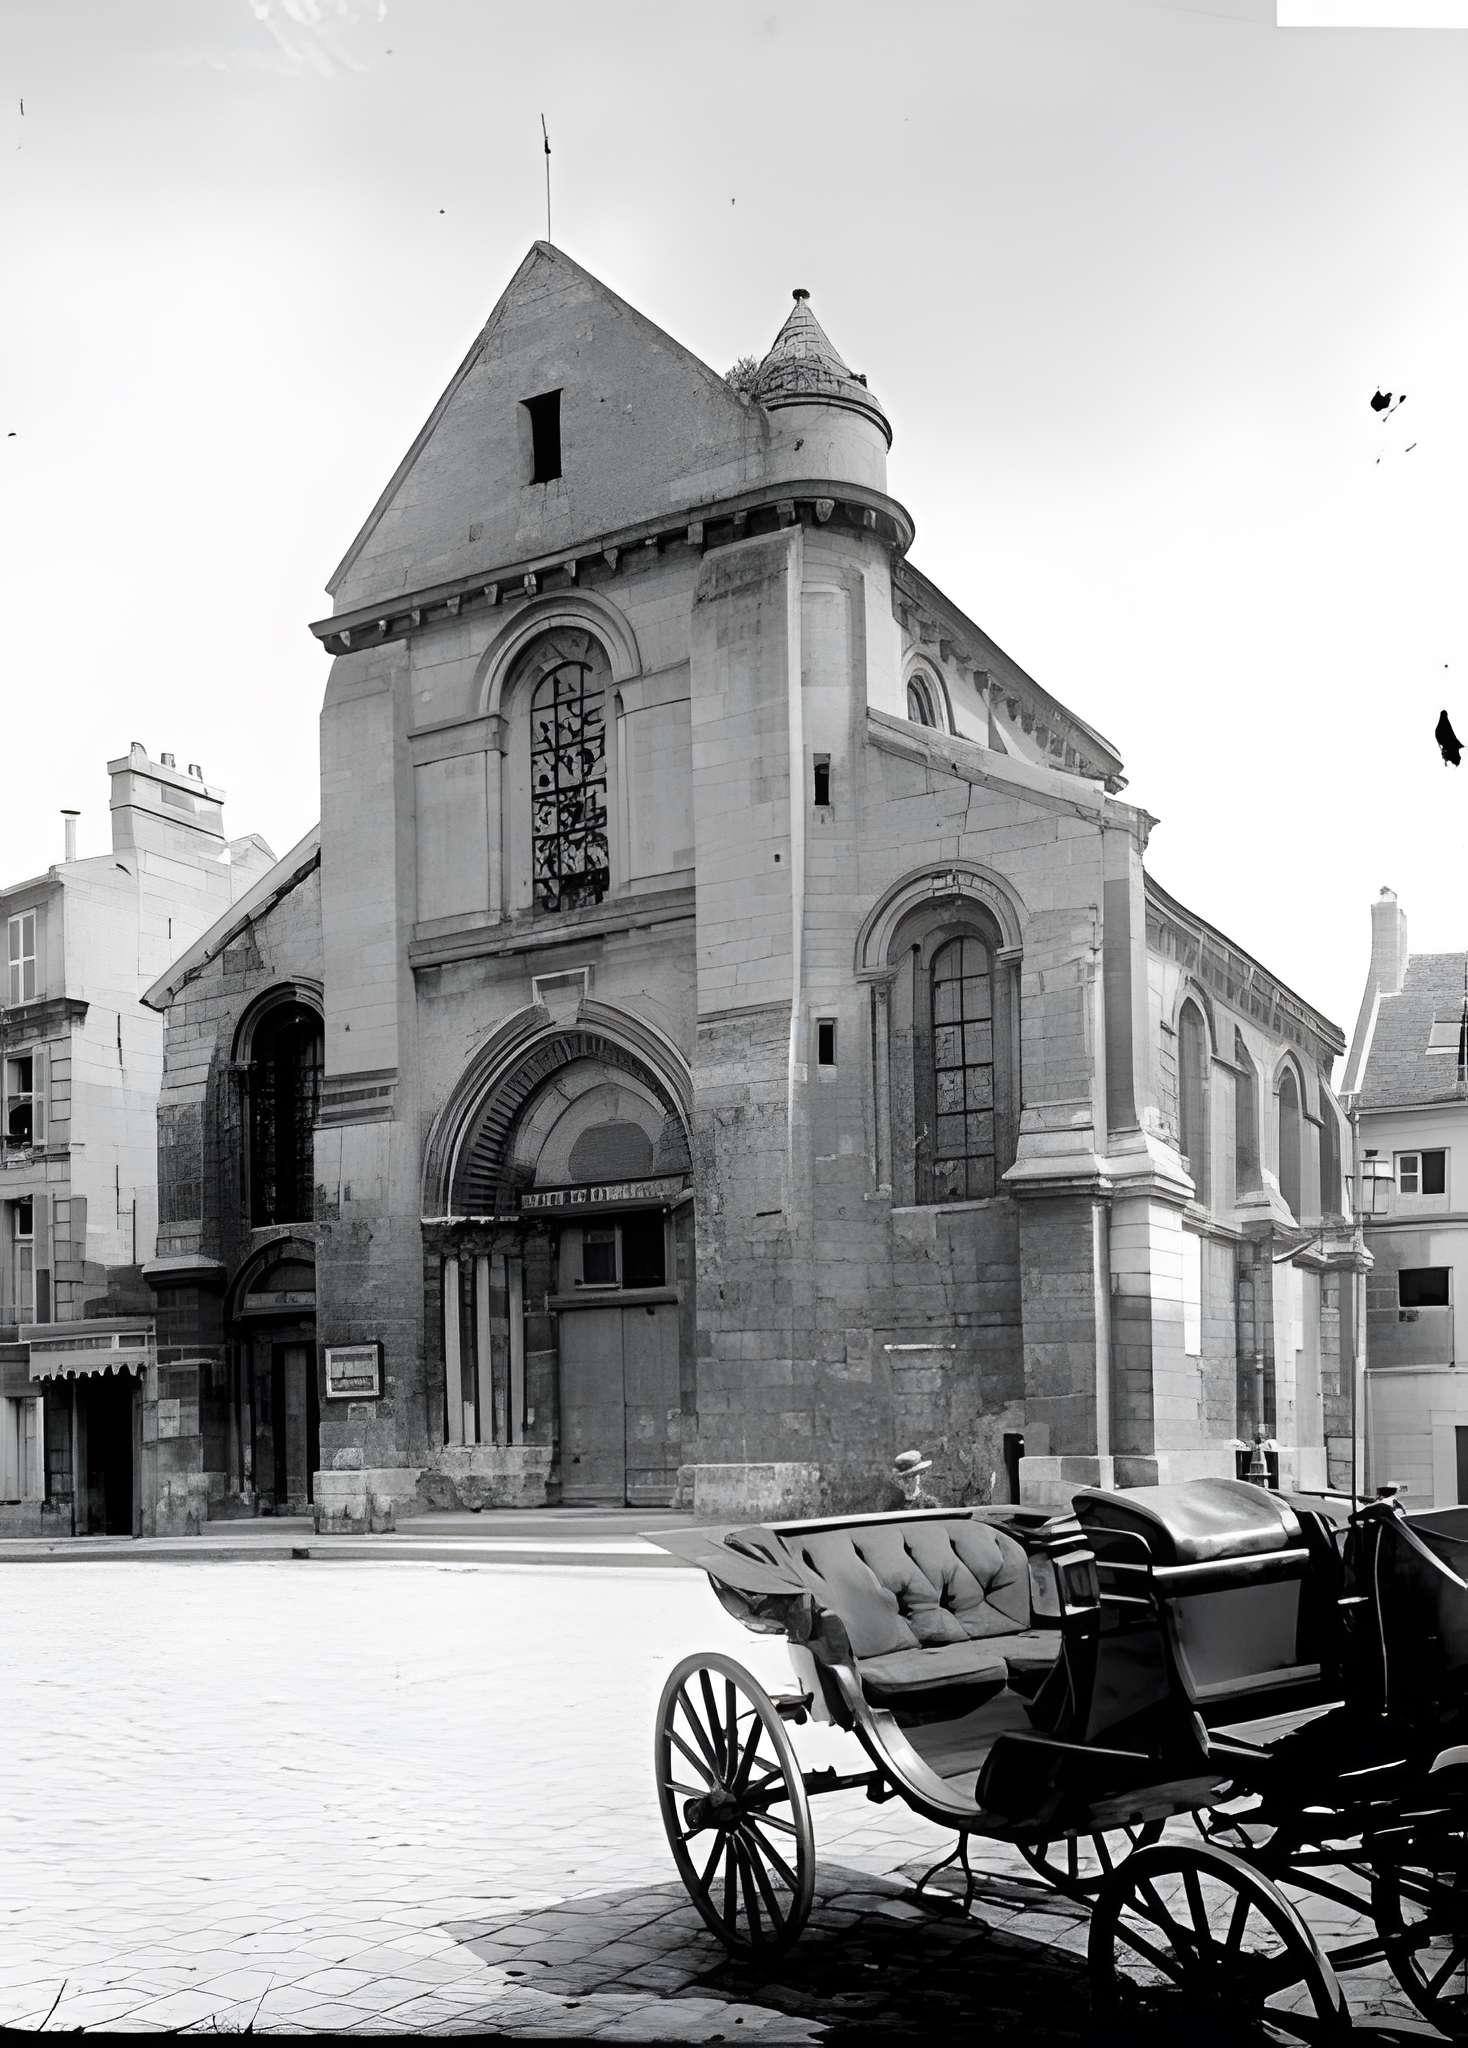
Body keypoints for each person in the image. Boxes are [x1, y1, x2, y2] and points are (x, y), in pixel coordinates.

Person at [879, 1448, 942, 1512]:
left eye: (910, 1477)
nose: (905, 1483)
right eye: (901, 1479)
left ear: (918, 1478)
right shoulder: (893, 1506)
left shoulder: (929, 1505)